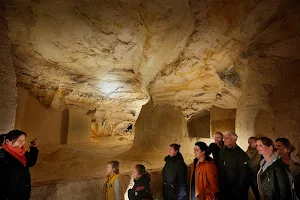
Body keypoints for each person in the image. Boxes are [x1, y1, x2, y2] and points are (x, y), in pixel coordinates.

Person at [0, 130, 39, 200]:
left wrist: (33, 148)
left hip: (22, 192)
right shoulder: (2, 155)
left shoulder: (22, 152)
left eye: (23, 140)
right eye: (19, 140)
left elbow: (30, 162)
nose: (22, 143)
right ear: (8, 141)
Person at [219, 132, 251, 200]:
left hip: (235, 189)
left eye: (227, 138)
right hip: (224, 186)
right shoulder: (223, 151)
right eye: (224, 138)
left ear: (234, 140)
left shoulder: (241, 154)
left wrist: (239, 190)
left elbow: (244, 174)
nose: (224, 140)